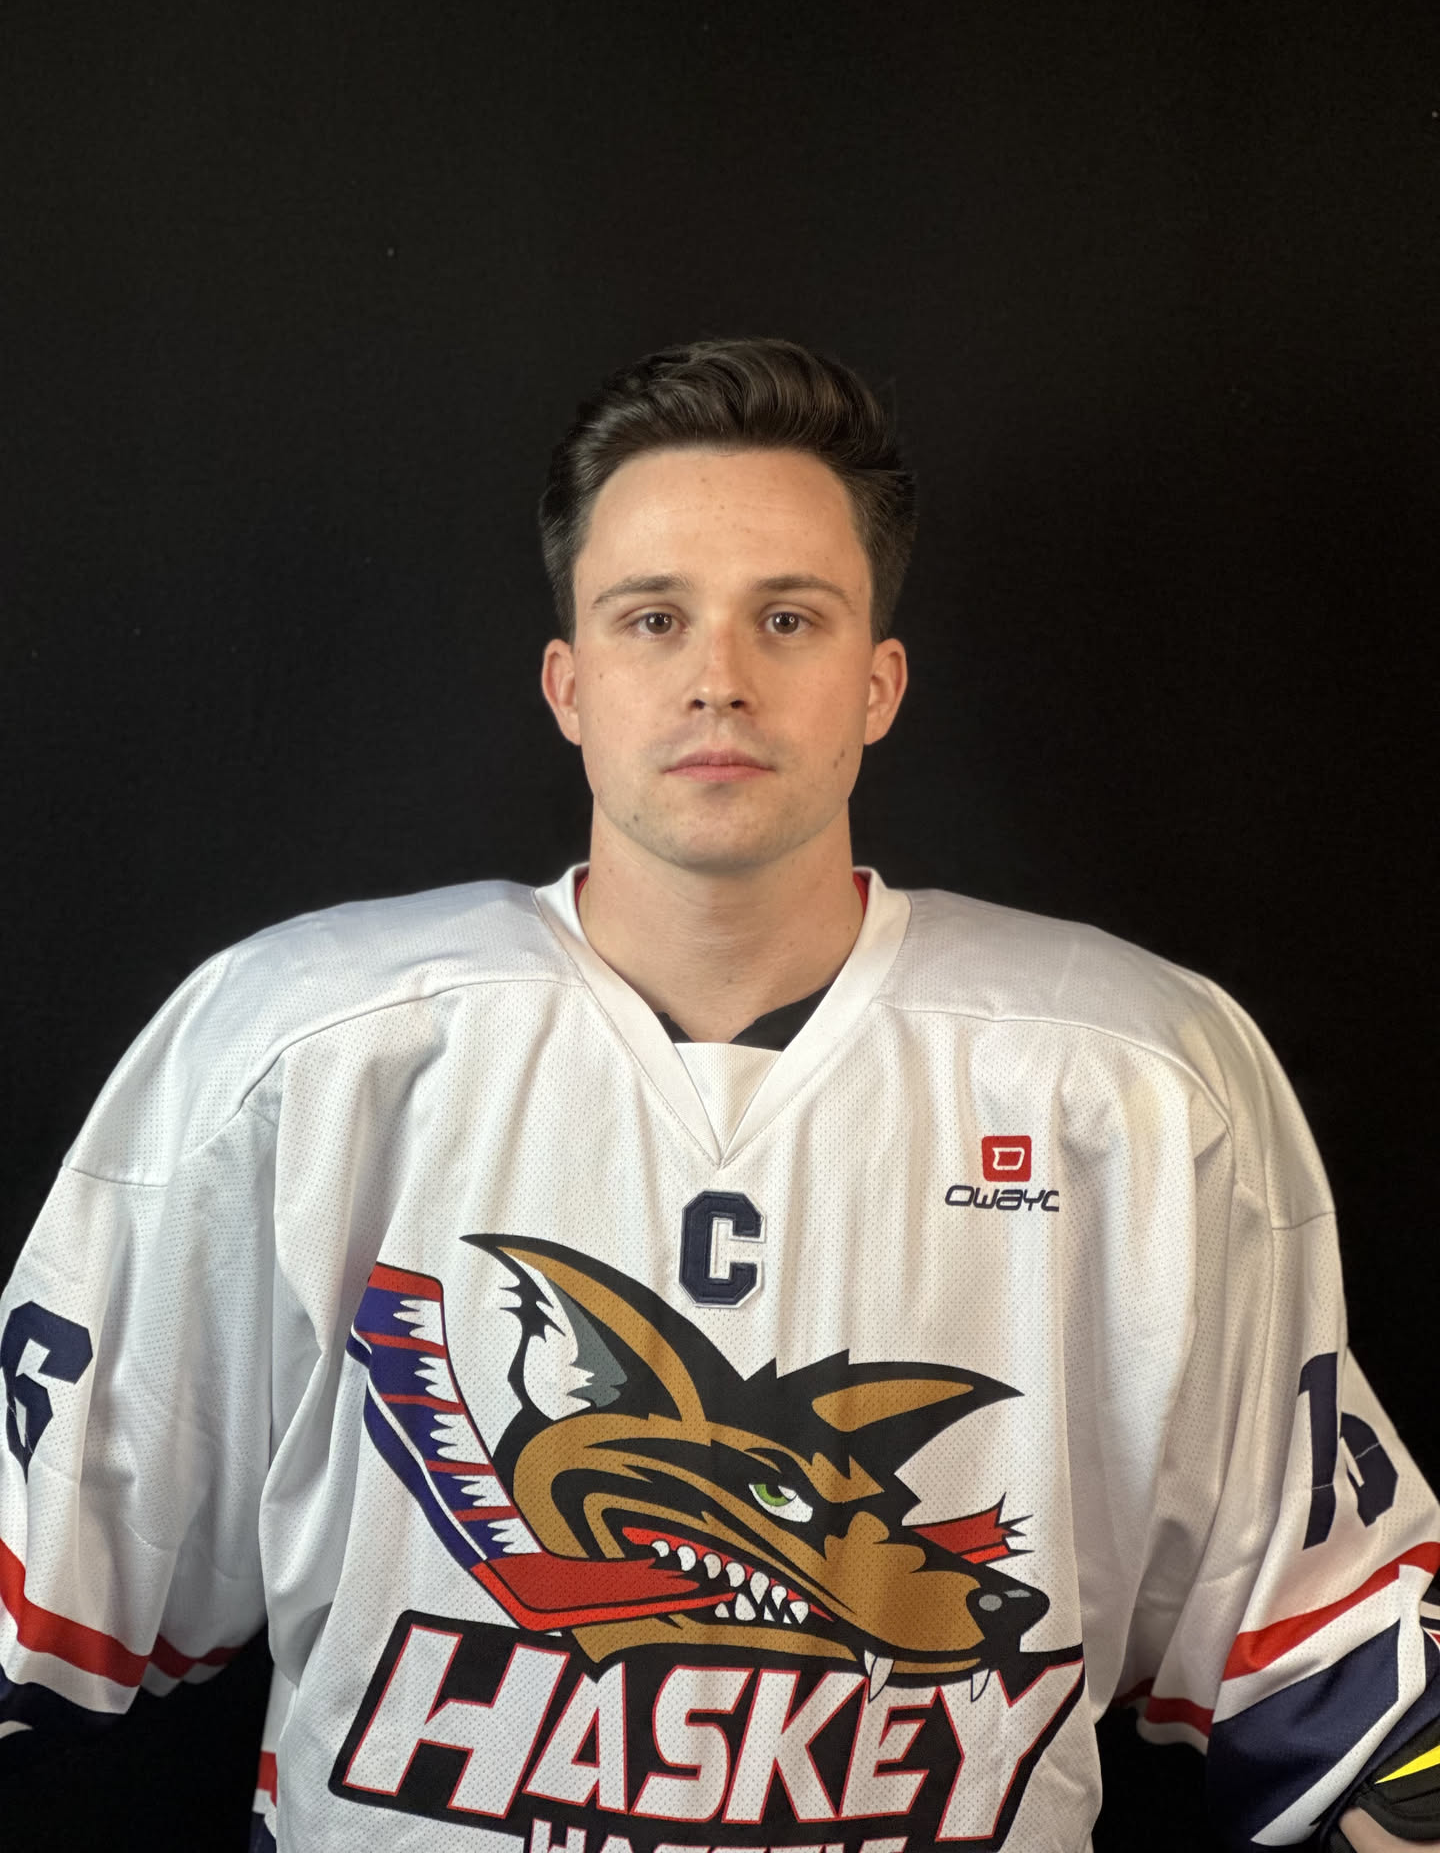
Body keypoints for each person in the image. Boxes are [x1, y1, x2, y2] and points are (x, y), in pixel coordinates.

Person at [1, 338, 1436, 1853]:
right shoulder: (302, 1050)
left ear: (879, 684)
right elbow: (48, 1577)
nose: (719, 678)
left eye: (789, 618)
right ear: (569, 683)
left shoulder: (1134, 1078)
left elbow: (1343, 1688)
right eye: (654, 618)